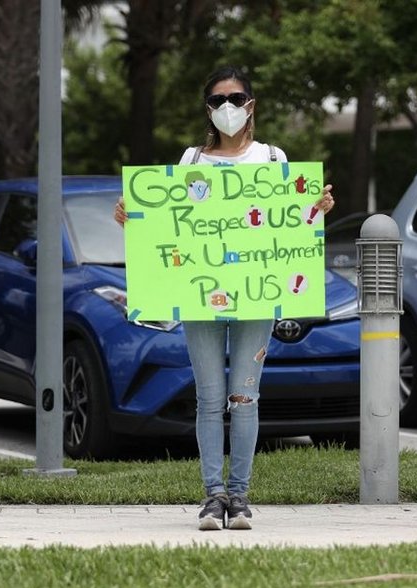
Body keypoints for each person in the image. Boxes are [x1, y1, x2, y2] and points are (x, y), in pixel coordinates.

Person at [115, 66, 335, 530]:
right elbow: (171, 223)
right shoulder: (193, 159)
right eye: (217, 100)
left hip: (256, 296)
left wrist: (316, 210)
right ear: (207, 109)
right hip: (200, 296)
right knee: (209, 397)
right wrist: (134, 217)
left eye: (235, 98)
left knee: (245, 397)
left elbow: (291, 228)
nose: (227, 108)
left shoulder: (274, 160)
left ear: (251, 104)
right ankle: (213, 496)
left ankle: (240, 495)